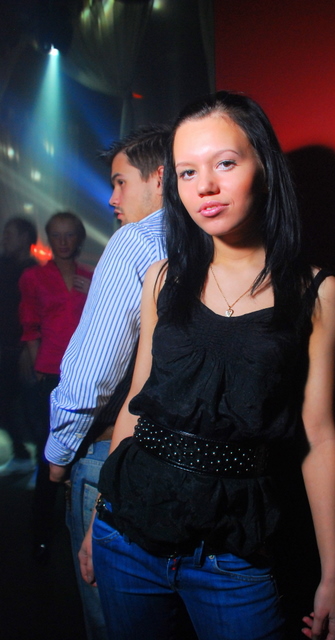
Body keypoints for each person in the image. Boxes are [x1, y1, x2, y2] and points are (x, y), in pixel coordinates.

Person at [79, 91, 335, 640]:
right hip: (126, 537)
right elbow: (137, 403)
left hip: (234, 554)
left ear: (263, 168)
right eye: (187, 172)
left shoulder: (316, 293)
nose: (205, 186)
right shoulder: (162, 277)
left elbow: (317, 438)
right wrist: (99, 515)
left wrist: (332, 574)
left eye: (224, 163)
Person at [45, 125, 170, 640]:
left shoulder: (135, 242)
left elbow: (92, 372)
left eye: (120, 182)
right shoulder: (214, 237)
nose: (112, 198)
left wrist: (59, 451)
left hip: (113, 454)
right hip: (189, 463)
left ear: (158, 177)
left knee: (113, 623)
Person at [19, 211, 92, 560]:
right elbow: (29, 325)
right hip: (48, 373)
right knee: (49, 457)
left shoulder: (90, 276)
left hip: (82, 375)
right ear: (49, 239)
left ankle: (73, 529)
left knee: (79, 455)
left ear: (78, 238)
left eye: (69, 235)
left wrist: (93, 294)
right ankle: (41, 534)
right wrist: (37, 366)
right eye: (57, 235)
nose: (63, 242)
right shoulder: (33, 277)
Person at [0, 217, 38, 475]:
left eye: (9, 234)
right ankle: (23, 454)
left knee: (29, 407)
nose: (4, 239)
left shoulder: (33, 272)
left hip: (21, 349)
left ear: (25, 238)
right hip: (5, 346)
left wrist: (28, 347)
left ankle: (41, 462)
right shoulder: (4, 266)